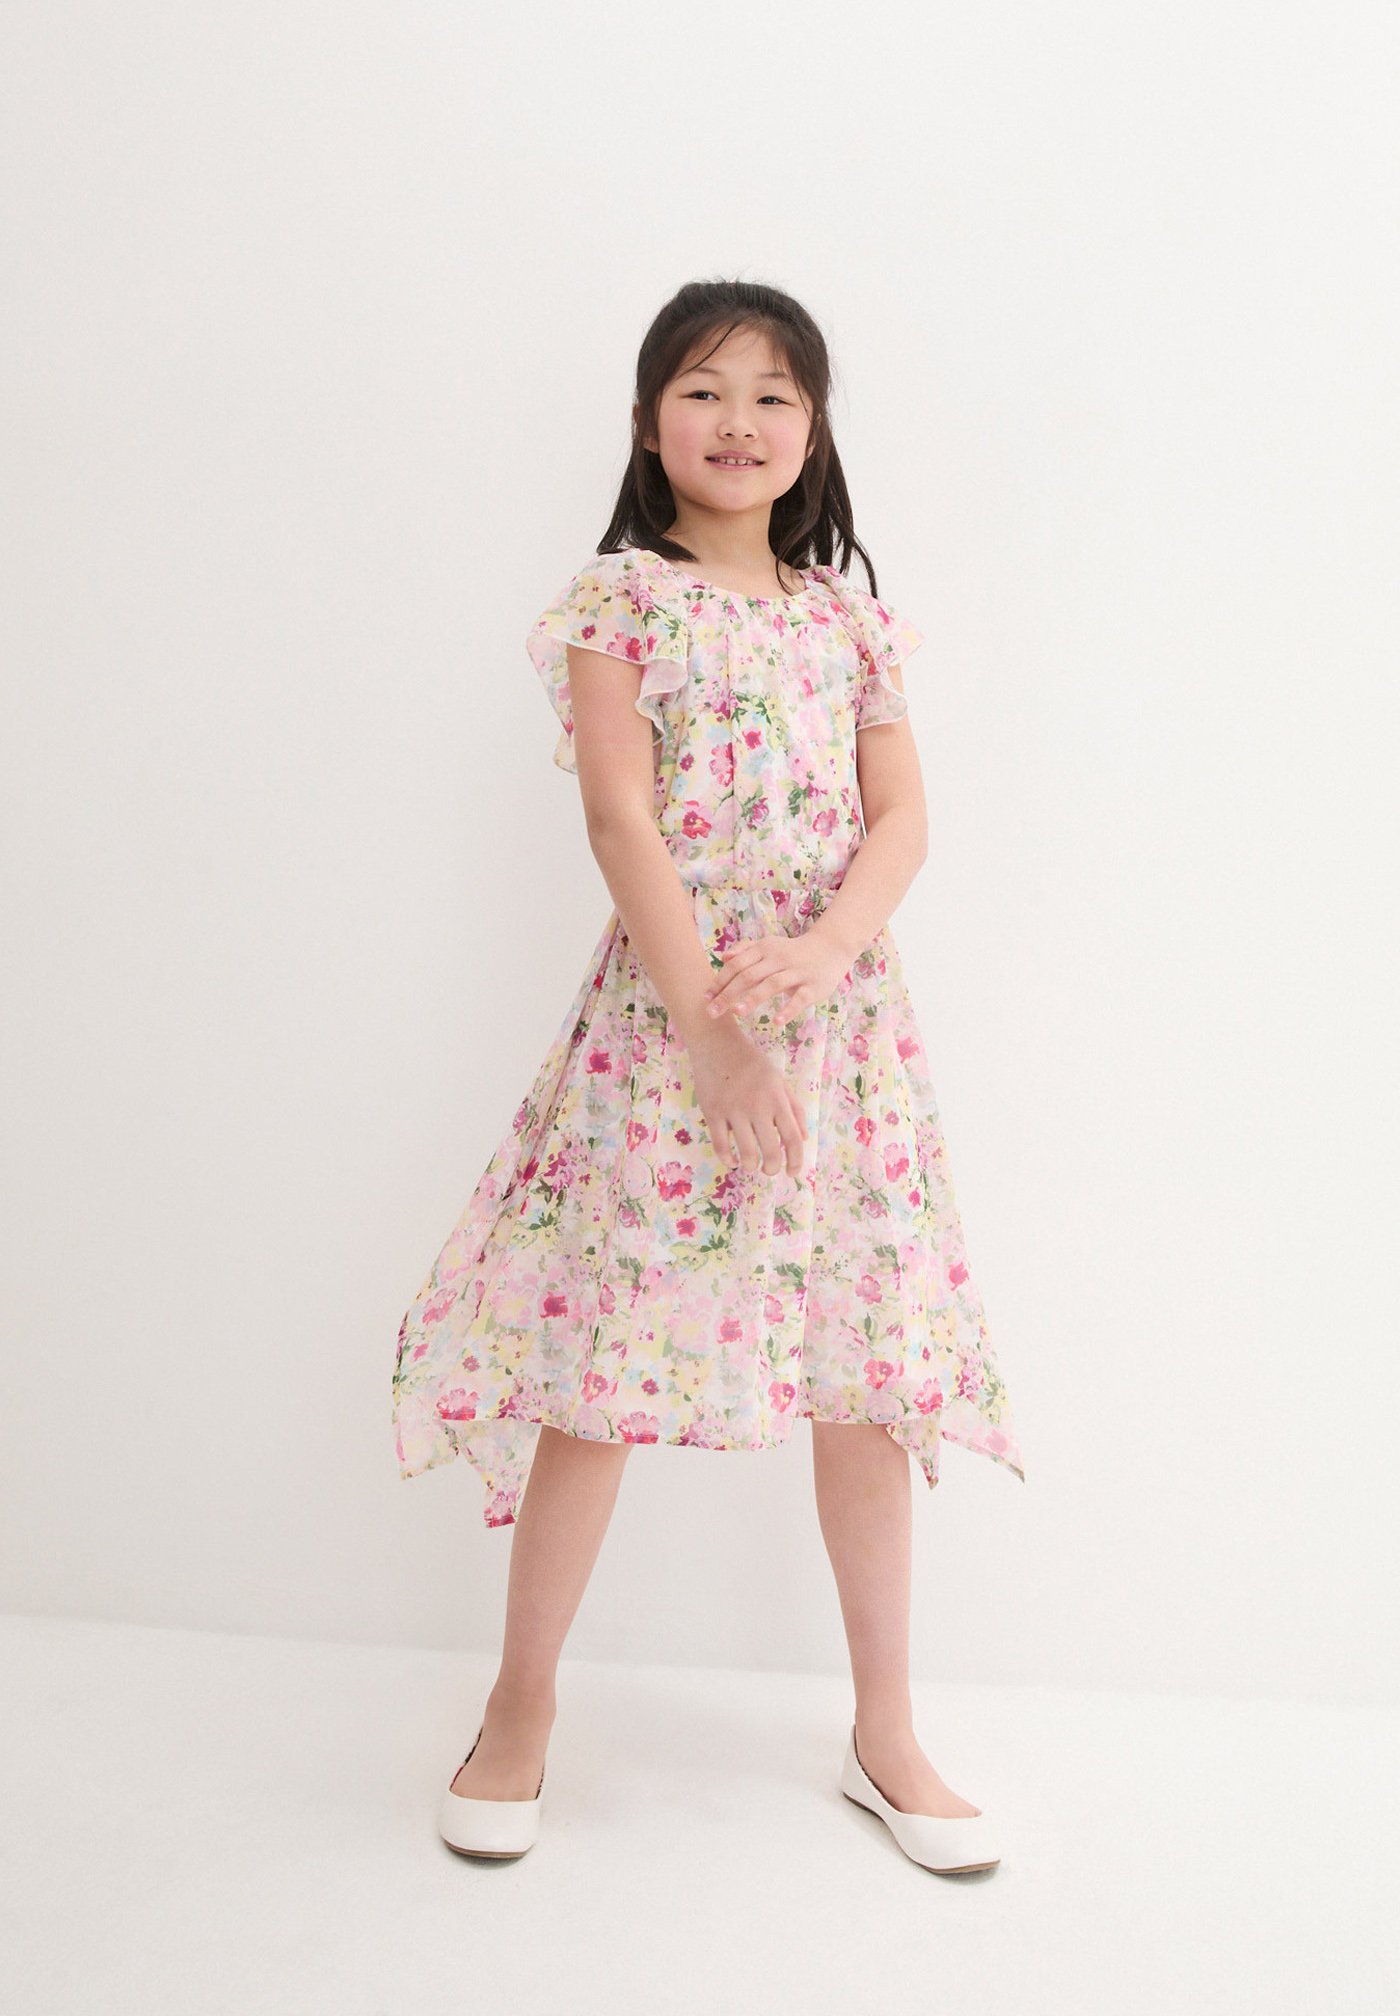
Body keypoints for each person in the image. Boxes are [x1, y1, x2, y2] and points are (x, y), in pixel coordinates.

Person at [392, 278, 1025, 1871]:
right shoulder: (622, 602)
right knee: (602, 1365)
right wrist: (715, 1030)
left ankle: (885, 1731)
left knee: (864, 1370)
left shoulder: (848, 616)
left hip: (842, 1034)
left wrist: (824, 955)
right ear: (646, 421)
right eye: (702, 389)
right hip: (676, 1028)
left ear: (814, 430)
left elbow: (903, 819)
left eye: (772, 395)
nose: (738, 421)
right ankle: (519, 1707)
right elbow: (620, 818)